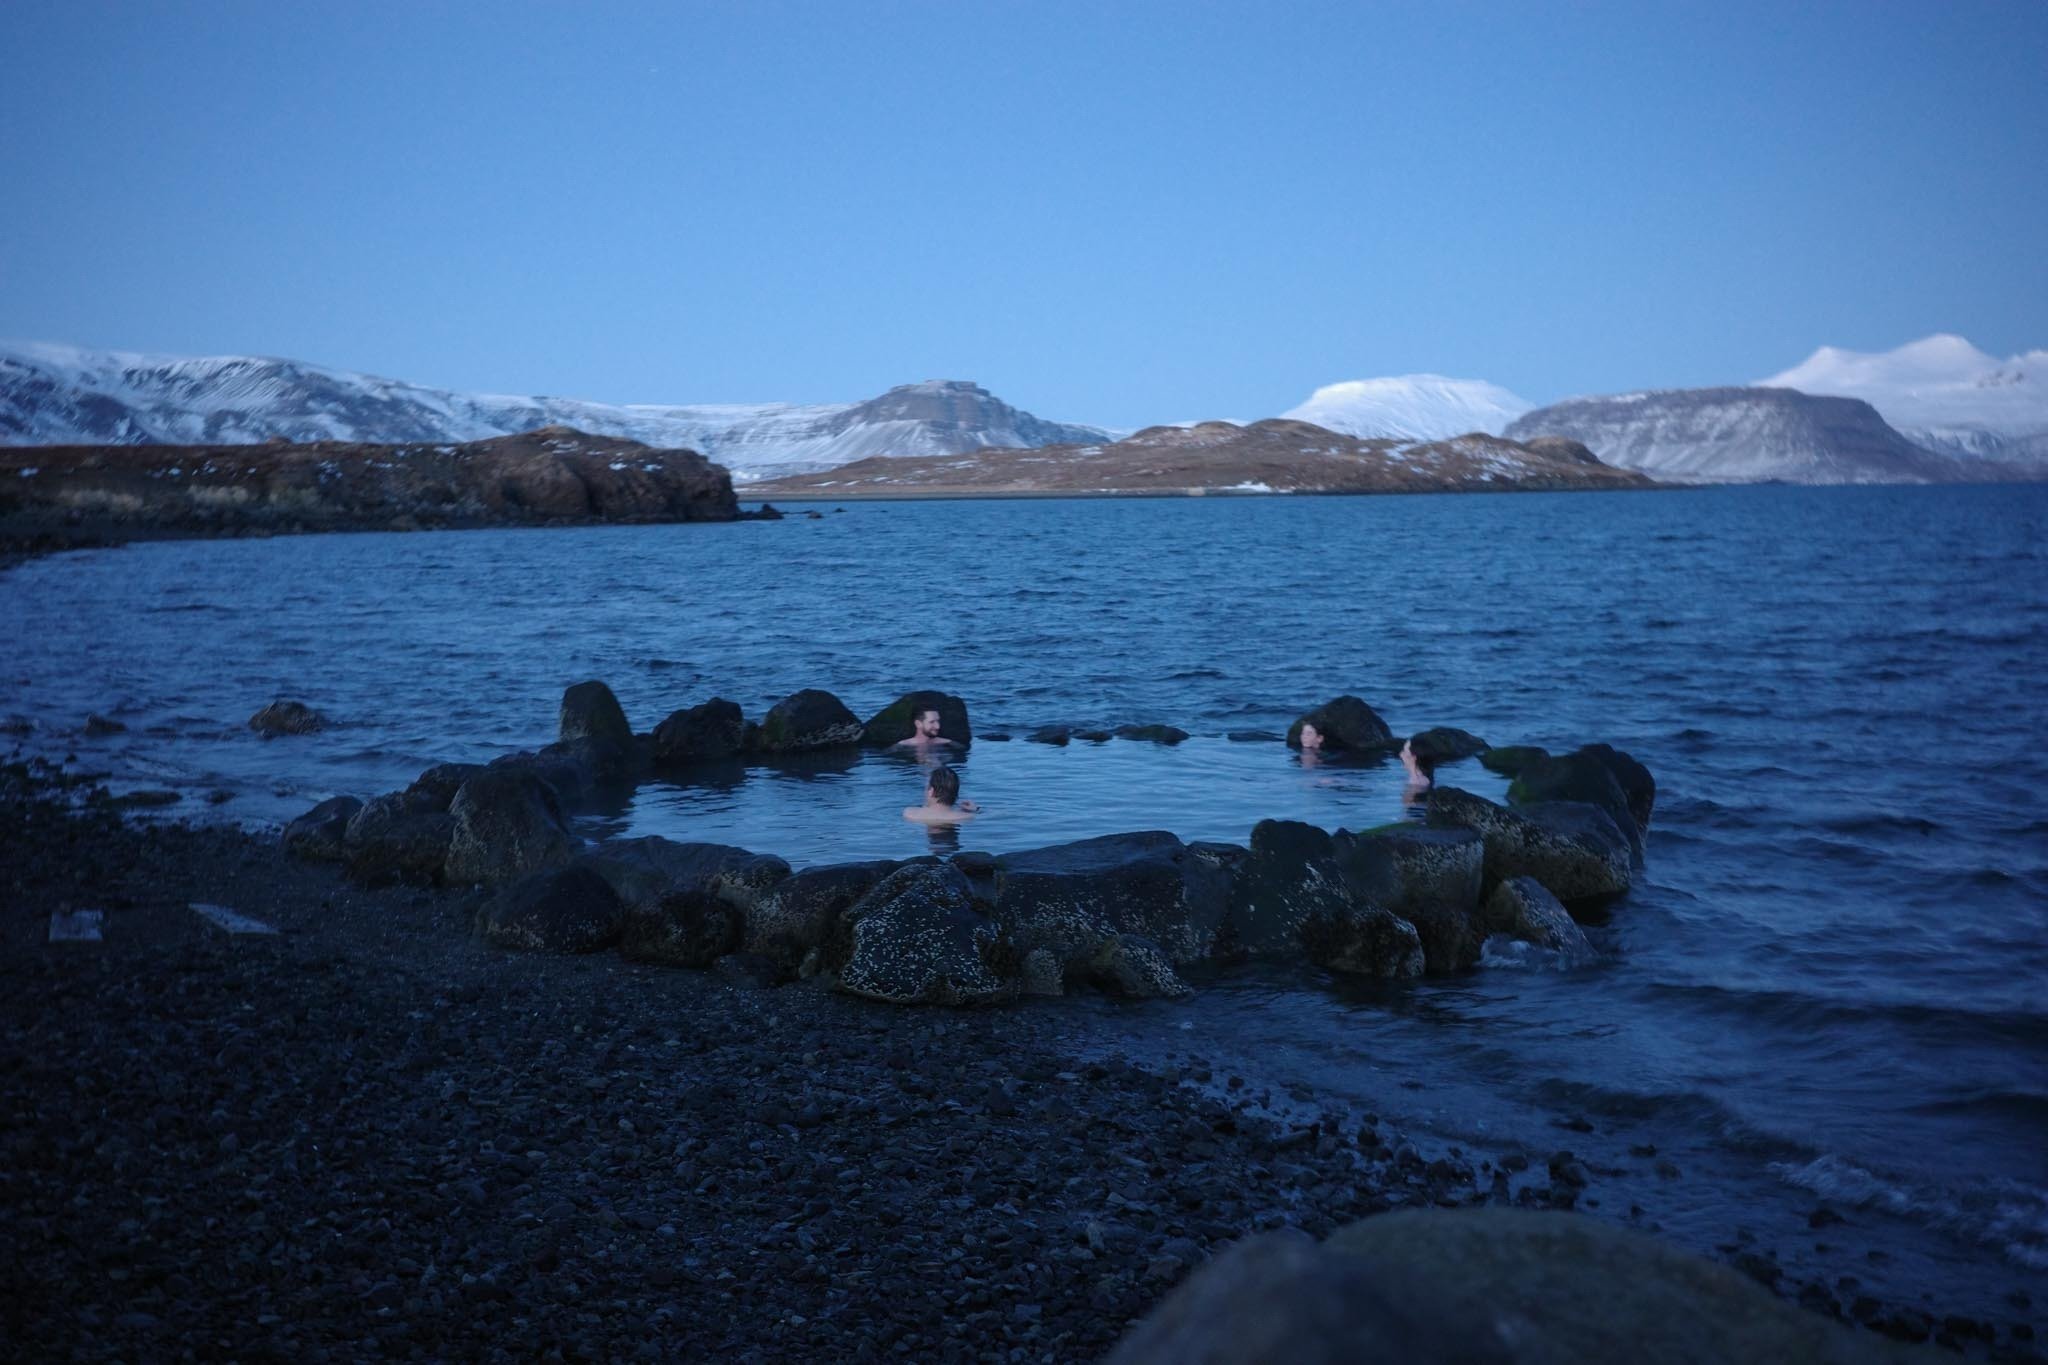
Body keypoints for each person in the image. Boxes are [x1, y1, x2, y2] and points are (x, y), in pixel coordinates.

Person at [903, 763, 978, 824]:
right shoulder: (967, 817)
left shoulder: (910, 813)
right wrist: (973, 810)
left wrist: (926, 805)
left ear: (931, 791)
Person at [893, 707, 959, 752]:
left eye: (938, 721)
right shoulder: (903, 745)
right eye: (932, 722)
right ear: (918, 724)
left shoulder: (948, 743)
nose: (937, 726)